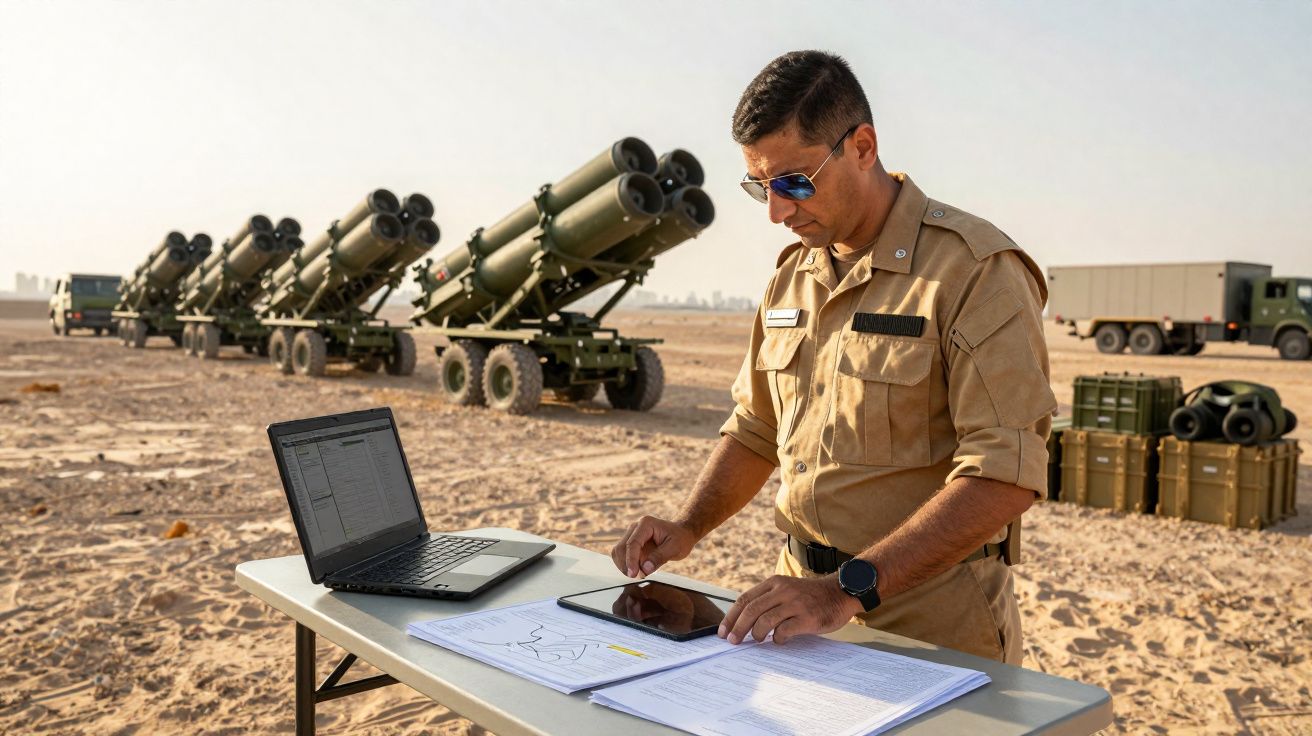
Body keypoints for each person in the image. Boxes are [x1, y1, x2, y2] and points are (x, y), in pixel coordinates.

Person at [610, 50, 1055, 664]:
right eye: (760, 187)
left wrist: (843, 590)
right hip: (796, 610)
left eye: (794, 181)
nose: (777, 211)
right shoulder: (791, 276)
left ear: (863, 146)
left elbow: (1004, 475)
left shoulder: (974, 270)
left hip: (930, 622)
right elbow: (757, 427)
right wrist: (689, 525)